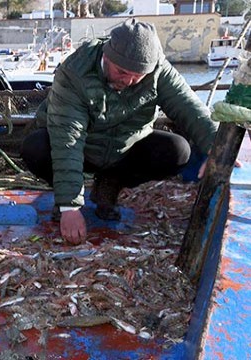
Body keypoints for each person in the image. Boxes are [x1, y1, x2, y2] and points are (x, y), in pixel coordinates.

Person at [20, 19, 218, 245]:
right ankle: (63, 195)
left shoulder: (158, 69)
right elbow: (68, 139)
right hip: (83, 148)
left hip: (125, 148)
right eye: (122, 72)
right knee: (35, 147)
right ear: (106, 55)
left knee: (178, 150)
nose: (129, 81)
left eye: (138, 76)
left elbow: (189, 107)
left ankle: (111, 182)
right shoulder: (74, 72)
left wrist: (215, 145)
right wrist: (69, 207)